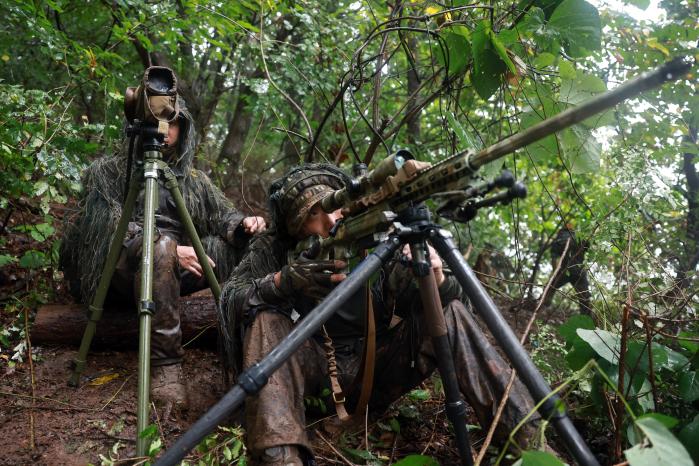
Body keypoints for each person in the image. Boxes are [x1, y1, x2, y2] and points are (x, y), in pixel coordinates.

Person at [219, 163, 540, 465]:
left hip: (376, 370)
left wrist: (436, 279)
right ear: (294, 226)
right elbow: (232, 299)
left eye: (333, 207)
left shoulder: (377, 242)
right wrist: (282, 281)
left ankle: (529, 442)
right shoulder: (273, 250)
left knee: (451, 312)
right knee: (265, 320)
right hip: (311, 370)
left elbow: (451, 311)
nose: (329, 223)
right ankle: (282, 458)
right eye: (312, 215)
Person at [59, 95, 266, 411]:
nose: (164, 129)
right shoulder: (109, 171)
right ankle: (166, 366)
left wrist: (245, 224)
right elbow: (107, 229)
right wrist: (165, 248)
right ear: (138, 124)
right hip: (121, 268)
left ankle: (255, 331)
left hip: (173, 272)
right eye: (158, 120)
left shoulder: (194, 180)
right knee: (162, 248)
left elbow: (224, 217)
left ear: (184, 130)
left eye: (173, 122)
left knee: (236, 244)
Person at [546, 224, 592, 315]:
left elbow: (554, 258)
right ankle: (586, 321)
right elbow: (587, 246)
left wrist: (555, 272)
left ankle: (541, 307)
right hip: (578, 271)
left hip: (564, 271)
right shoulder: (579, 237)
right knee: (584, 298)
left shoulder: (559, 239)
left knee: (549, 289)